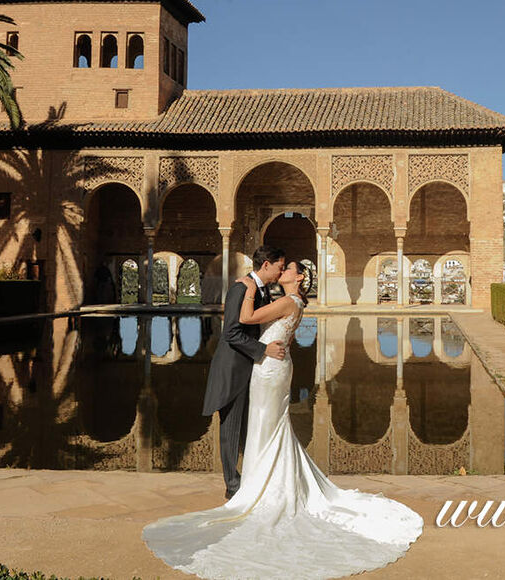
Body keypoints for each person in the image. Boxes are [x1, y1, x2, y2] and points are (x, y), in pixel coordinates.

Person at [143, 260, 424, 579]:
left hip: (270, 368)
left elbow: (245, 319)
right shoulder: (293, 301)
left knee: (266, 425)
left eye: (286, 269)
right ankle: (262, 479)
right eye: (280, 267)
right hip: (274, 364)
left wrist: (247, 287)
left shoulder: (287, 300)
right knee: (270, 427)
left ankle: (258, 484)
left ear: (299, 277)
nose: (281, 273)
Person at [200, 245, 287, 499]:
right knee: (231, 427)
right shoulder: (241, 288)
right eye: (279, 267)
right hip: (233, 368)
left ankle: (246, 476)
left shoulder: (261, 290)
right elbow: (231, 333)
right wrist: (264, 350)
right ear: (266, 265)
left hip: (248, 367)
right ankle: (232, 484)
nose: (280, 273)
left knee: (246, 425)